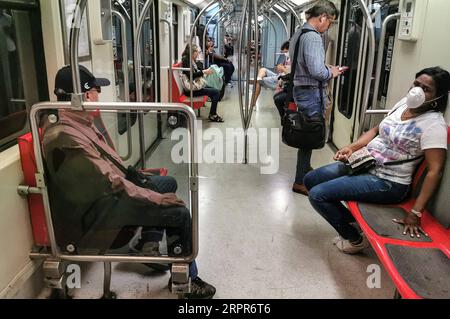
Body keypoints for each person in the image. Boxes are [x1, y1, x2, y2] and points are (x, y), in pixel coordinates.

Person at [43, 65, 216, 299]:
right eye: (95, 90)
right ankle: (188, 281)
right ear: (83, 96)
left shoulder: (78, 121)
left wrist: (138, 178)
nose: (98, 96)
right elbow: (111, 182)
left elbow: (110, 169)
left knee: (167, 183)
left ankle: (149, 243)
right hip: (98, 211)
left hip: (104, 197)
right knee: (179, 212)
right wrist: (156, 199)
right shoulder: (66, 136)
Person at [304, 67, 450, 254]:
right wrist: (352, 147)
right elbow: (376, 130)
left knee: (318, 194)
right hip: (366, 163)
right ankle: (356, 225)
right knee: (310, 180)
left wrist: (415, 212)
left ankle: (355, 238)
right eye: (416, 84)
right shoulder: (404, 103)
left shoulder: (433, 125)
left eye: (426, 89)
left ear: (438, 97)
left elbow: (434, 170)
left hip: (388, 181)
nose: (417, 91)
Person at [291, 0, 344, 196]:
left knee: (308, 131)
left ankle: (305, 170)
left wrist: (324, 69)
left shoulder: (300, 32)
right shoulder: (313, 37)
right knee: (309, 135)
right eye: (330, 22)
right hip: (311, 91)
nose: (329, 26)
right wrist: (332, 72)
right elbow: (316, 71)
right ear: (322, 17)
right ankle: (299, 181)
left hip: (302, 88)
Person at [182, 44, 224, 122]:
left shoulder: (191, 60)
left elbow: (197, 71)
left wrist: (204, 71)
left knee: (214, 91)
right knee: (216, 93)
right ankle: (213, 114)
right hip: (191, 90)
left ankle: (213, 113)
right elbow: (192, 76)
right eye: (197, 52)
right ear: (192, 52)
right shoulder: (186, 62)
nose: (198, 54)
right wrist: (204, 72)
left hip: (195, 86)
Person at [251, 41, 291, 110]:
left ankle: (253, 104)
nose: (285, 54)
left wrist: (283, 69)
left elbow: (291, 75)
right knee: (263, 69)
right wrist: (282, 68)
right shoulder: (289, 58)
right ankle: (259, 79)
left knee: (257, 83)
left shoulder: (295, 59)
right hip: (279, 75)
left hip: (282, 81)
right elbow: (285, 70)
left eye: (286, 52)